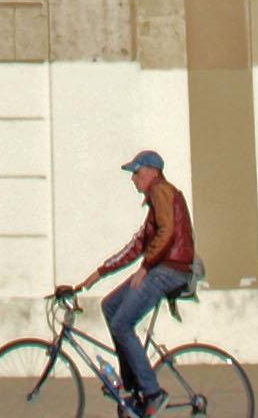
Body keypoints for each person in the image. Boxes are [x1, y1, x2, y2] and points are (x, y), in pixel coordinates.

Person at [67, 150, 196, 413]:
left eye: (136, 173)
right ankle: (131, 385)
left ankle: (153, 393)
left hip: (169, 270)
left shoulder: (162, 190)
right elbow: (138, 244)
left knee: (122, 323)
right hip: (162, 267)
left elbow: (168, 232)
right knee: (110, 306)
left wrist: (146, 267)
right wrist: (100, 272)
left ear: (151, 172)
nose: (133, 179)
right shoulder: (154, 202)